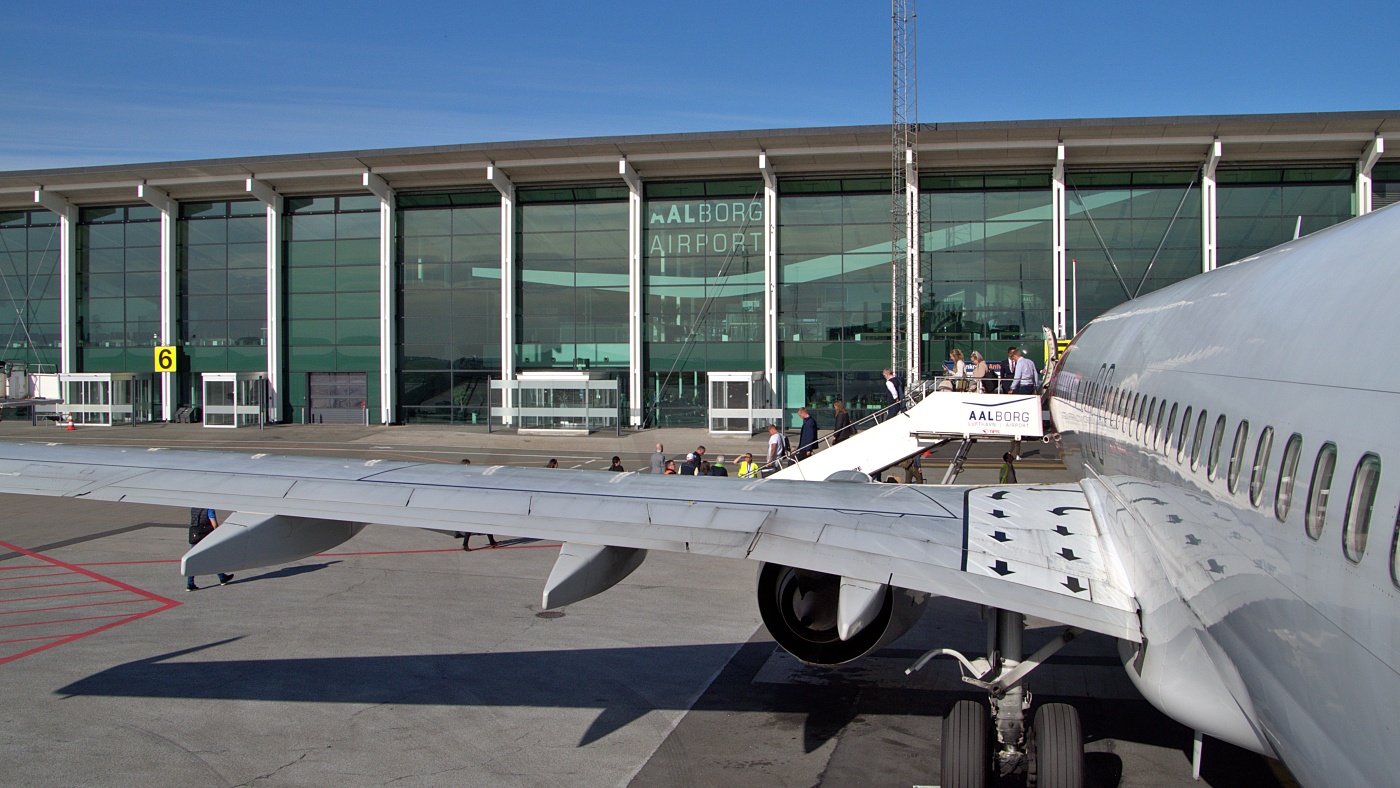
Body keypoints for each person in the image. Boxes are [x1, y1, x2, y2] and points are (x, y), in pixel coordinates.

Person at [187, 507, 233, 591]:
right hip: (205, 535)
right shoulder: (209, 508)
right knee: (213, 557)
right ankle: (222, 577)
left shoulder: (194, 508)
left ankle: (190, 583)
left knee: (192, 559)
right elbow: (214, 524)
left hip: (195, 534)